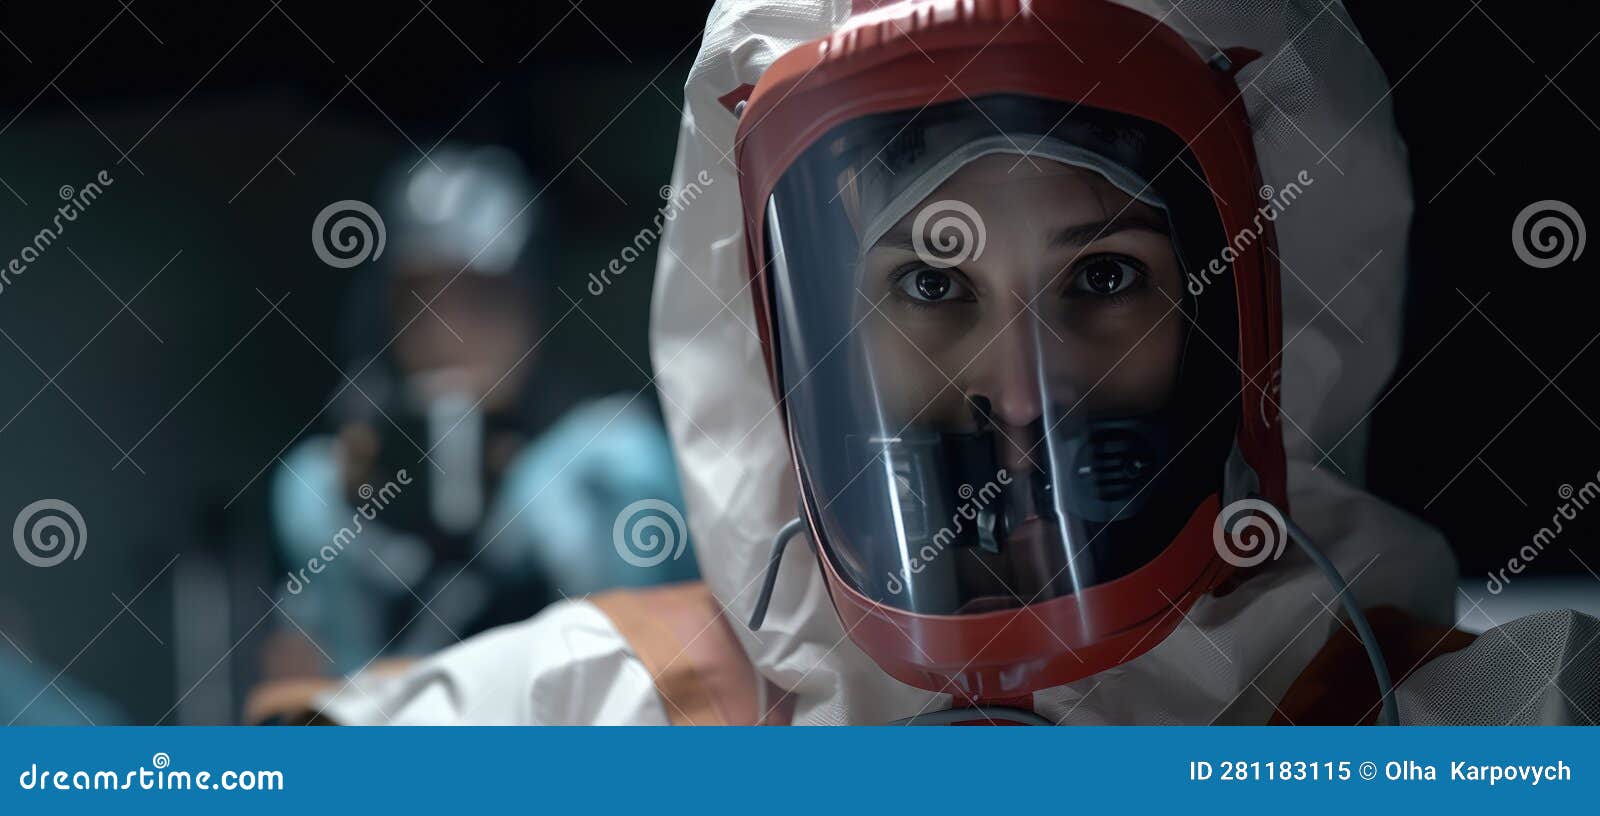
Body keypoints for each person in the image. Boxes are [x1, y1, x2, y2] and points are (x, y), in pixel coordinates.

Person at [302, 0, 1597, 726]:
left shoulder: (1455, 728)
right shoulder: (620, 710)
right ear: (781, 342)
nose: (1021, 398)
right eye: (931, 283)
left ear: (1258, 313)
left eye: (1104, 280)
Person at [261, 145, 693, 683]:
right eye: (421, 302)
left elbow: (657, 687)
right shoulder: (324, 492)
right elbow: (305, 694)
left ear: (532, 307)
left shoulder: (610, 467)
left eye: (483, 299)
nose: (450, 334)